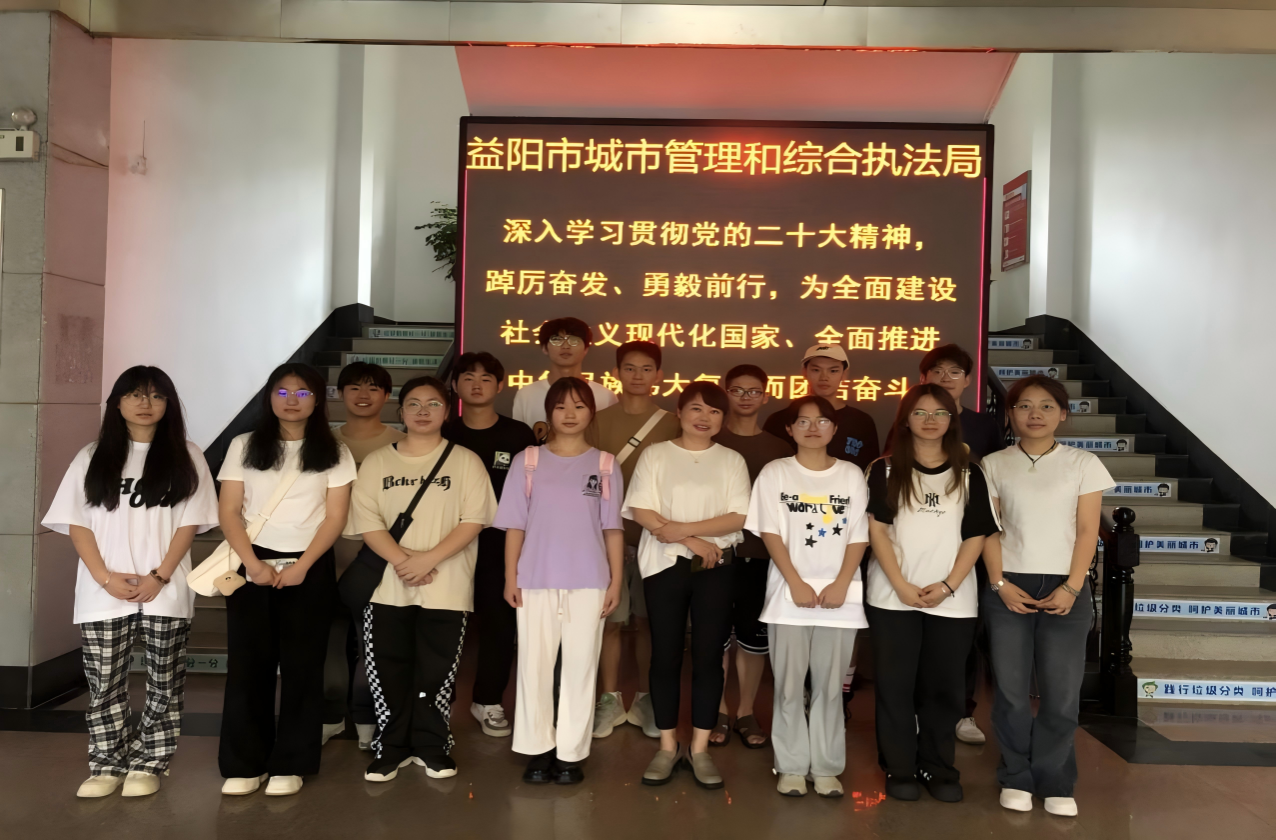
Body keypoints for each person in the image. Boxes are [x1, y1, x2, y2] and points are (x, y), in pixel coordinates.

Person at [44, 367, 218, 799]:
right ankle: (106, 764)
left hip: (165, 587)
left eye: (156, 396)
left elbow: (190, 523)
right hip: (103, 590)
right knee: (104, 681)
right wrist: (104, 577)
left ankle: (149, 762)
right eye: (135, 394)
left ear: (168, 404)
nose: (145, 403)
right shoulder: (92, 455)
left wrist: (160, 576)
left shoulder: (187, 454)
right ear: (117, 402)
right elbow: (77, 523)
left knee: (165, 679)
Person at [217, 363, 357, 797]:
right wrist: (252, 564)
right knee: (248, 666)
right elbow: (229, 511)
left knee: (302, 668)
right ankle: (245, 763)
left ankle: (291, 763)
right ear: (269, 397)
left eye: (302, 392)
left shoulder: (335, 451)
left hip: (309, 567)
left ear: (317, 400)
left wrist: (303, 566)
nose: (292, 400)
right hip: (251, 565)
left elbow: (335, 517)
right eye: (282, 392)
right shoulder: (243, 445)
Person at [981, 374, 1113, 817]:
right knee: (1011, 692)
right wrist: (999, 583)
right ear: (1010, 413)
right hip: (1009, 586)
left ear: (1063, 414)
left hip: (1066, 587)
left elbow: (1088, 530)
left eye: (1046, 406)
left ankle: (1055, 779)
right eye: (1024, 406)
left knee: (1061, 693)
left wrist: (1073, 587)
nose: (1034, 414)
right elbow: (989, 530)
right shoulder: (994, 464)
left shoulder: (1083, 463)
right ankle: (1016, 775)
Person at [352, 376, 496, 783]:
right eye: (413, 403)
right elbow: (367, 521)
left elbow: (474, 519)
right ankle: (391, 747)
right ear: (401, 411)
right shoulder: (378, 462)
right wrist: (404, 562)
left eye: (433, 404)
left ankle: (433, 746)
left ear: (447, 412)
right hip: (387, 586)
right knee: (388, 669)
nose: (422, 411)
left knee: (437, 672)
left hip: (447, 587)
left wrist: (428, 559)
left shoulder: (465, 461)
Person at [864, 384, 1000, 803]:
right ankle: (900, 766)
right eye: (920, 412)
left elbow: (977, 533)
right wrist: (900, 585)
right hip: (892, 596)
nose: (930, 420)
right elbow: (877, 531)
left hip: (953, 599)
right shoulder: (885, 469)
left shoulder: (970, 472)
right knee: (895, 685)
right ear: (905, 420)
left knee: (943, 688)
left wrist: (949, 585)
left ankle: (938, 766)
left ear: (951, 420)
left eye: (939, 413)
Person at [494, 377, 625, 784]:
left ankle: (570, 753)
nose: (570, 414)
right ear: (548, 412)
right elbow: (514, 526)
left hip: (590, 579)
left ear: (591, 412)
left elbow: (612, 529)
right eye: (561, 406)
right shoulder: (528, 461)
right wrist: (510, 577)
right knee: (534, 666)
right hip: (535, 578)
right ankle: (537, 749)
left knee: (581, 667)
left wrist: (615, 582)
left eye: (579, 406)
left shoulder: (605, 464)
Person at [623, 382, 751, 789]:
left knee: (709, 656)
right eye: (696, 408)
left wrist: (684, 530)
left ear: (723, 419)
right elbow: (641, 510)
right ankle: (666, 746)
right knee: (664, 656)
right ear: (679, 412)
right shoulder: (656, 454)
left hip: (716, 566)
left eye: (714, 411)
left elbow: (739, 517)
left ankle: (699, 748)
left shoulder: (731, 460)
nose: (704, 417)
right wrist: (692, 540)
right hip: (664, 566)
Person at [745, 395, 870, 798]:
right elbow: (770, 533)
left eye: (822, 421)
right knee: (787, 686)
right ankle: (792, 765)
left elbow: (859, 534)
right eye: (803, 421)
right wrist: (795, 582)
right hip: (788, 596)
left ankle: (827, 766)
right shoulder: (776, 473)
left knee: (831, 688)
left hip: (840, 597)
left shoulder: (851, 474)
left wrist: (842, 583)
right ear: (789, 428)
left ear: (834, 429)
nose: (813, 428)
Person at [585, 340, 680, 739]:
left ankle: (645, 697)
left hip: (657, 540)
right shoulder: (597, 420)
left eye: (646, 368)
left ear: (659, 375)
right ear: (616, 373)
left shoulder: (674, 422)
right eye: (629, 368)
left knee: (647, 622)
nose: (638, 375)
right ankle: (608, 699)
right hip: (607, 539)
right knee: (608, 621)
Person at [440, 352, 536, 740]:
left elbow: (533, 495)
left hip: (501, 544)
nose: (476, 384)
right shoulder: (444, 432)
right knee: (446, 623)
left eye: (485, 378)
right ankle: (439, 700)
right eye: (468, 377)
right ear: (455, 385)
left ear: (500, 385)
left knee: (499, 624)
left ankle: (488, 700)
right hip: (447, 544)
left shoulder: (519, 436)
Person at [920, 343, 1006, 746]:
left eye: (954, 371)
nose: (946, 378)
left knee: (965, 634)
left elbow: (994, 482)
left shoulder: (984, 426)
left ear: (968, 380)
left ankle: (963, 711)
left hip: (969, 543)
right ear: (924, 378)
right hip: (922, 542)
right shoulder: (909, 420)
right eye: (937, 371)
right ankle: (920, 711)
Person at [710, 364, 792, 748]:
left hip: (760, 555)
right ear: (725, 392)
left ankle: (745, 712)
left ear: (766, 396)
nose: (745, 397)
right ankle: (716, 710)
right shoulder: (709, 439)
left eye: (753, 391)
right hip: (714, 553)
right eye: (737, 390)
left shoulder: (780, 448)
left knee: (753, 638)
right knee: (715, 636)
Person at [327, 361, 405, 750]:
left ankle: (367, 717)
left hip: (378, 557)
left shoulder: (402, 444)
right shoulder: (323, 442)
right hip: (326, 553)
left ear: (387, 396)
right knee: (329, 641)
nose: (363, 395)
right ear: (339, 394)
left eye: (373, 388)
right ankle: (329, 715)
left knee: (372, 643)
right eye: (354, 387)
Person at [763, 344, 880, 471]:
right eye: (816, 370)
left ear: (844, 374)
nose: (824, 377)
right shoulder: (779, 420)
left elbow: (871, 472)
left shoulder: (862, 421)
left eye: (833, 371)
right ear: (804, 372)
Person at [511, 317, 618, 441]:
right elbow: (518, 441)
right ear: (544, 348)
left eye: (574, 340)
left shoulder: (605, 396)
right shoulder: (526, 394)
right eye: (557, 340)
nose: (565, 346)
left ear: (586, 349)